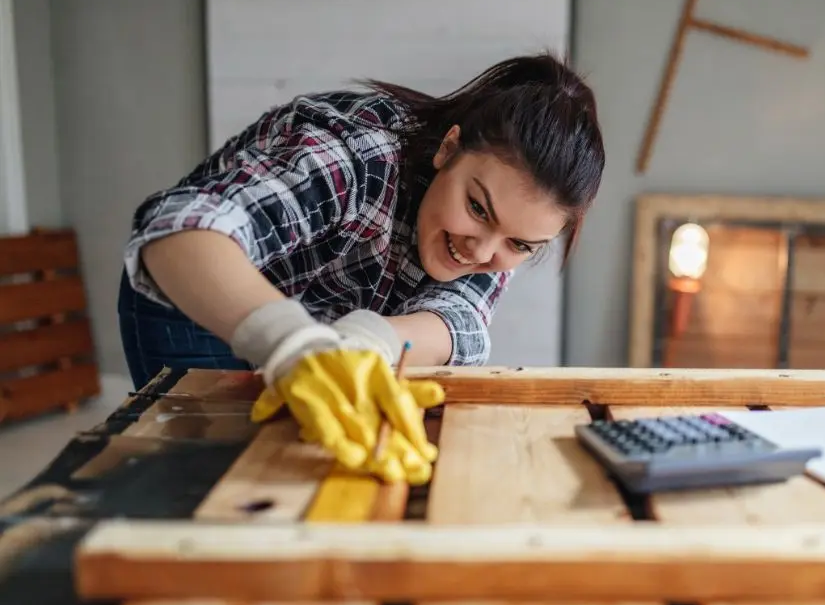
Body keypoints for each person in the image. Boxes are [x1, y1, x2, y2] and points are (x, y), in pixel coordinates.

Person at [116, 52, 606, 484]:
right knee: (207, 478)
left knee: (296, 464)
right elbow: (178, 228)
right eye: (478, 210)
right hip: (193, 293)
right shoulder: (356, 153)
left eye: (519, 244)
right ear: (449, 150)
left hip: (317, 318)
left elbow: (459, 320)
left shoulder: (502, 227)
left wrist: (372, 341)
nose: (482, 254)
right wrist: (291, 342)